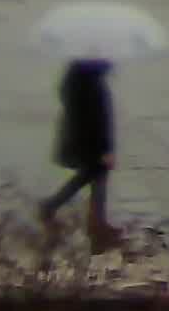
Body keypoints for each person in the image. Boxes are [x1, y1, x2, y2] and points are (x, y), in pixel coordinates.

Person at [39, 57, 114, 235]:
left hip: (81, 136)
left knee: (96, 175)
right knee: (92, 173)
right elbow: (98, 118)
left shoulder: (78, 78)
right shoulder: (91, 82)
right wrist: (106, 148)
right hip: (90, 139)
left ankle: (97, 220)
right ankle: (51, 205)